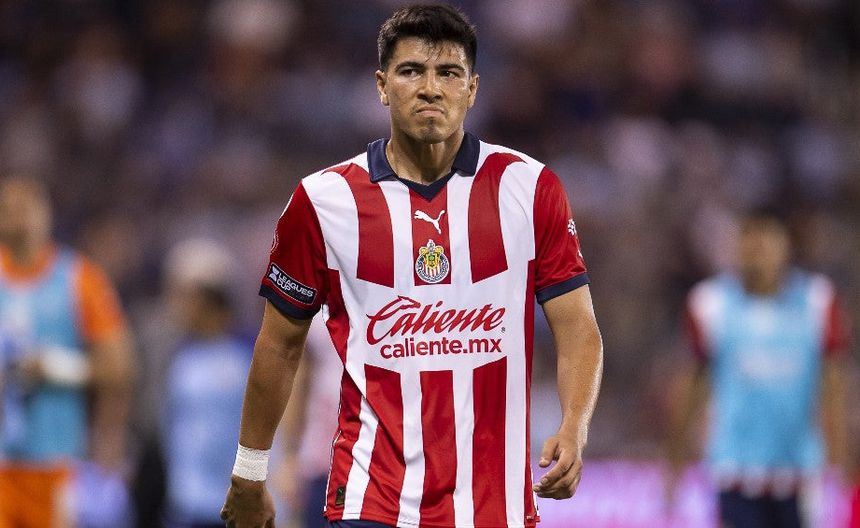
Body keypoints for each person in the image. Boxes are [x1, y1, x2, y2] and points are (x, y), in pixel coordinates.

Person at [221, 4, 604, 528]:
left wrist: (575, 425)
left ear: (472, 89)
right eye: (410, 71)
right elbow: (279, 345)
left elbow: (578, 326)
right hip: (370, 500)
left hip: (494, 507)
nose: (430, 88)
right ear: (382, 86)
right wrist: (249, 471)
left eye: (448, 73)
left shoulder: (530, 188)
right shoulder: (323, 201)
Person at [666, 208, 850, 528]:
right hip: (735, 471)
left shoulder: (816, 301)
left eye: (766, 239)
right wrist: (674, 463)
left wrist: (842, 459)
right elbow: (694, 387)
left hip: (798, 474)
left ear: (786, 245)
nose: (756, 250)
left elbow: (833, 386)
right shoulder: (710, 303)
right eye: (748, 238)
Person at [0, 176, 133, 527]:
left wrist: (59, 368)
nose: (17, 219)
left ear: (45, 214)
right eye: (8, 209)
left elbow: (119, 366)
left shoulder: (79, 278)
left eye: (25, 208)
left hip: (57, 460)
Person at [160, 239, 253, 528]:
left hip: (229, 507)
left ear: (205, 299)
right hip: (184, 503)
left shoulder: (244, 359)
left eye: (182, 295)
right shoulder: (181, 359)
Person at [275, 310, 342, 528]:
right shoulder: (317, 312)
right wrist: (289, 456)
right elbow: (297, 382)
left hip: (381, 457)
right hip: (323, 457)